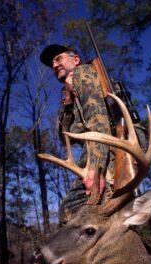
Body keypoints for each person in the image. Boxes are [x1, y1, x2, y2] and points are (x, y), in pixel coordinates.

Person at [40, 44, 113, 223]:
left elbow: (97, 118)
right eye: (52, 64)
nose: (54, 65)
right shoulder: (69, 94)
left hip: (109, 151)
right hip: (97, 155)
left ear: (76, 60)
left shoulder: (83, 73)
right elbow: (64, 137)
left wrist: (96, 171)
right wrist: (69, 101)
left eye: (59, 59)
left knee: (72, 212)